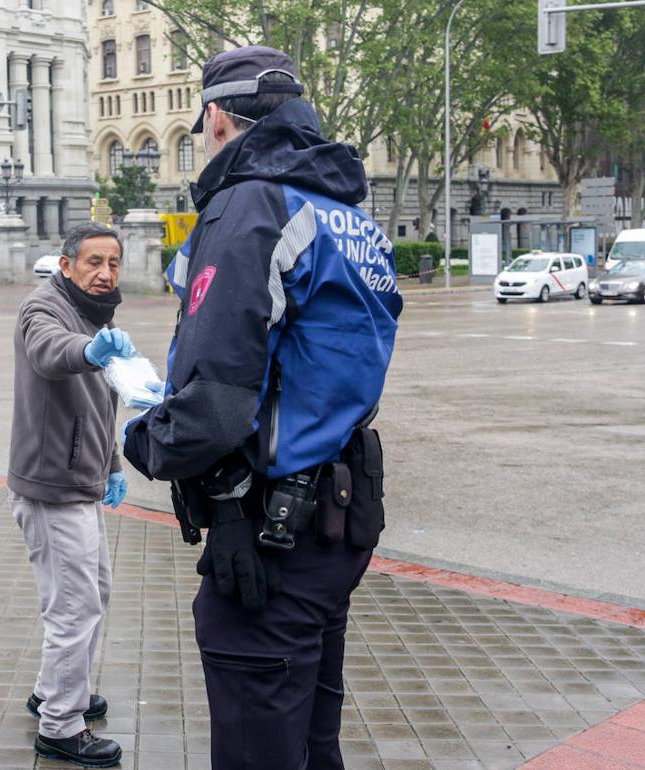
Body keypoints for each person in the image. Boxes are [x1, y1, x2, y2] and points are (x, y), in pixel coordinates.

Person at [122, 46, 402, 769]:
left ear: (216, 118)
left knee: (259, 745)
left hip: (267, 534)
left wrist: (144, 439)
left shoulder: (251, 202)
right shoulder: (345, 212)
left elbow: (214, 400)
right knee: (309, 741)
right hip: (334, 518)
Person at [8, 221, 135, 769]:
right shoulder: (45, 308)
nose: (105, 274)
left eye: (113, 263)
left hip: (79, 480)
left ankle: (53, 694)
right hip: (53, 489)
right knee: (74, 606)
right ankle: (60, 726)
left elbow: (98, 404)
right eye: (93, 263)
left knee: (93, 593)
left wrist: (111, 463)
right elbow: (49, 352)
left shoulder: (93, 312)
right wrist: (91, 349)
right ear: (65, 266)